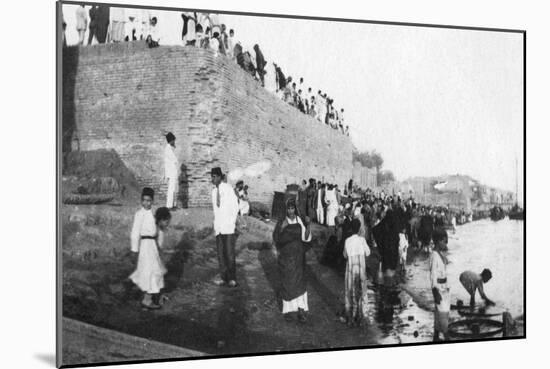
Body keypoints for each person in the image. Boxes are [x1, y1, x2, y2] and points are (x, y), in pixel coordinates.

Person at [129, 188, 171, 309]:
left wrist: (160, 246)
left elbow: (159, 231)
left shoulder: (154, 214)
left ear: (152, 201)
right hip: (145, 247)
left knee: (155, 270)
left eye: (149, 201)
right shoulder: (139, 214)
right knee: (150, 271)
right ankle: (147, 300)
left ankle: (154, 296)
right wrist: (134, 250)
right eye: (144, 200)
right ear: (141, 201)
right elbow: (135, 233)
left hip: (153, 246)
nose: (146, 203)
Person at [273, 198, 312, 323]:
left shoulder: (298, 220)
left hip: (298, 257)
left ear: (295, 209)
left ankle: (301, 310)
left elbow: (306, 238)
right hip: (286, 257)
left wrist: (308, 225)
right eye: (289, 208)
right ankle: (289, 311)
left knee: (299, 283)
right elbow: (276, 239)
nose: (291, 211)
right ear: (286, 210)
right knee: (288, 283)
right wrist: (282, 229)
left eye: (292, 208)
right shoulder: (282, 222)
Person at [211, 167, 240, 287]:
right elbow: (215, 210)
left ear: (219, 177)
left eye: (215, 176)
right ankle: (223, 277)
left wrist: (231, 222)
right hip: (219, 227)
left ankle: (232, 278)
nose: (213, 179)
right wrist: (216, 225)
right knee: (221, 254)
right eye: (211, 177)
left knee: (229, 253)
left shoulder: (227, 189)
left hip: (228, 227)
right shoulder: (213, 192)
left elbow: (235, 206)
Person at [343, 218, 371, 326]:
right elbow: (368, 253)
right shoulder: (362, 240)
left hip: (350, 269)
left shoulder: (347, 240)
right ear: (359, 228)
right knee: (361, 290)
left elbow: (345, 255)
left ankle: (351, 316)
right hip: (360, 269)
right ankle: (361, 315)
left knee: (350, 290)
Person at [429, 238, 450, 341]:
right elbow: (433, 275)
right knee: (443, 314)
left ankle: (436, 336)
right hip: (438, 289)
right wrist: (434, 291)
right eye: (444, 241)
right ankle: (447, 337)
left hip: (444, 288)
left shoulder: (440, 254)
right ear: (438, 241)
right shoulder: (434, 255)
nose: (445, 244)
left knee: (438, 314)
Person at [163, 132, 178, 209]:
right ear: (171, 140)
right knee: (171, 189)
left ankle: (173, 205)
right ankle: (169, 206)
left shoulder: (170, 148)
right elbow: (175, 160)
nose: (174, 142)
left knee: (173, 189)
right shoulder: (168, 148)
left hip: (172, 171)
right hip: (171, 172)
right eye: (173, 141)